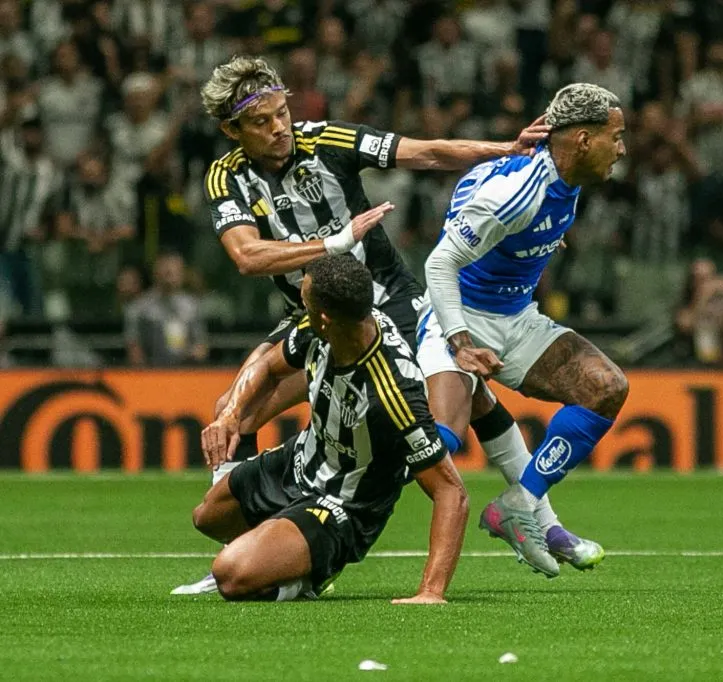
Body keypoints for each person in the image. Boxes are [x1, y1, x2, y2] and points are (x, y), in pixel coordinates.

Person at [174, 55, 588, 593]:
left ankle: (537, 518)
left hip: (388, 305)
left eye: (281, 113)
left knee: (459, 400)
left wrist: (504, 149)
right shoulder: (226, 176)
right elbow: (247, 256)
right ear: (232, 130)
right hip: (314, 314)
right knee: (234, 411)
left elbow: (423, 151)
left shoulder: (325, 139)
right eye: (261, 121)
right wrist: (336, 243)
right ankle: (262, 553)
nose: (279, 128)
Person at [417, 83, 629, 577]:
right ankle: (325, 510)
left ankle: (521, 504)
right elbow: (439, 263)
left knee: (606, 387)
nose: (621, 149)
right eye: (616, 137)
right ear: (582, 140)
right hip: (458, 316)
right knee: (439, 443)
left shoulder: (564, 175)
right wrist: (460, 344)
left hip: (516, 317)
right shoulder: (516, 192)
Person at [192, 254, 467, 604]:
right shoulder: (328, 325)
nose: (300, 309)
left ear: (325, 318)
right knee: (208, 517)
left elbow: (451, 492)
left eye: (305, 302)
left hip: (344, 504)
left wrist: (431, 590)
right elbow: (269, 367)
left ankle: (309, 573)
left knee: (230, 575)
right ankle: (288, 547)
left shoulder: (393, 394)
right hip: (303, 459)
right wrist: (231, 414)